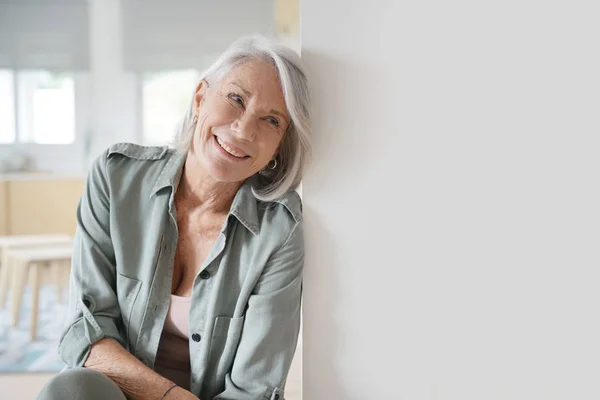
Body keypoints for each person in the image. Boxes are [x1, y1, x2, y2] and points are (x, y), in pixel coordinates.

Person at [37, 35, 311, 400]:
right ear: (200, 98)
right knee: (70, 389)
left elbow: (254, 389)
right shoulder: (116, 177)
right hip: (115, 390)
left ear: (280, 145)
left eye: (271, 120)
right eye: (236, 99)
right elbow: (86, 329)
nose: (244, 130)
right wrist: (167, 396)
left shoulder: (280, 230)